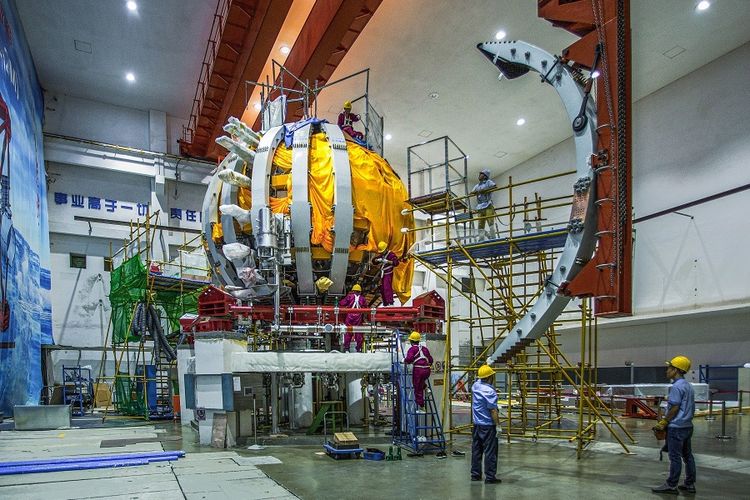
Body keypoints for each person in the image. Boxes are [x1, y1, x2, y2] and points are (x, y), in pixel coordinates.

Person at [652, 355, 696, 495]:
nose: (667, 371)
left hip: (676, 427)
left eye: (669, 368)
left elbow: (675, 408)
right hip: (687, 426)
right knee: (688, 456)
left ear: (676, 370)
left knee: (675, 457)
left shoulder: (676, 387)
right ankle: (690, 484)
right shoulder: (687, 386)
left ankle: (671, 485)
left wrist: (664, 422)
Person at [471, 364, 500, 484]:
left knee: (477, 450)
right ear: (490, 377)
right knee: (490, 452)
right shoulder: (490, 391)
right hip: (488, 426)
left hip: (476, 425)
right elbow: (493, 410)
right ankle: (490, 477)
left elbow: (480, 380)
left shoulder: (475, 386)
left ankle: (475, 475)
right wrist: (498, 425)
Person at [403, 331, 433, 412]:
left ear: (411, 341)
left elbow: (409, 359)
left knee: (417, 388)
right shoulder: (425, 349)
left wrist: (404, 360)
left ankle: (421, 407)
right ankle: (426, 388)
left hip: (418, 370)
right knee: (421, 382)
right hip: (427, 370)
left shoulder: (412, 349)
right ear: (419, 340)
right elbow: (431, 359)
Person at [339, 284, 367, 352]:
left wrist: (338, 302)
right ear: (360, 291)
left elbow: (342, 303)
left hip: (350, 316)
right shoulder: (362, 298)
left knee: (348, 331)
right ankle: (358, 348)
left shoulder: (349, 296)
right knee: (358, 332)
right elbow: (366, 307)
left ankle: (347, 348)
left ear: (353, 290)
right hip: (358, 316)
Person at [470, 169, 496, 240]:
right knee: (480, 225)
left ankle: (493, 238)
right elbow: (471, 193)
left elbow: (494, 186)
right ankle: (481, 239)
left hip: (488, 205)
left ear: (485, 176)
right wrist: (476, 192)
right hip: (480, 207)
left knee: (490, 223)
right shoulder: (477, 185)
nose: (479, 175)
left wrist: (485, 190)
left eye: (481, 174)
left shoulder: (488, 182)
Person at [373, 241, 399, 306]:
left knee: (387, 288)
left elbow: (396, 263)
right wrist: (376, 260)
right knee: (382, 289)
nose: (381, 252)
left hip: (388, 273)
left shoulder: (391, 254)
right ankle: (385, 303)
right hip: (383, 274)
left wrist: (388, 261)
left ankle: (390, 302)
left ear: (386, 249)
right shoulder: (383, 255)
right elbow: (374, 261)